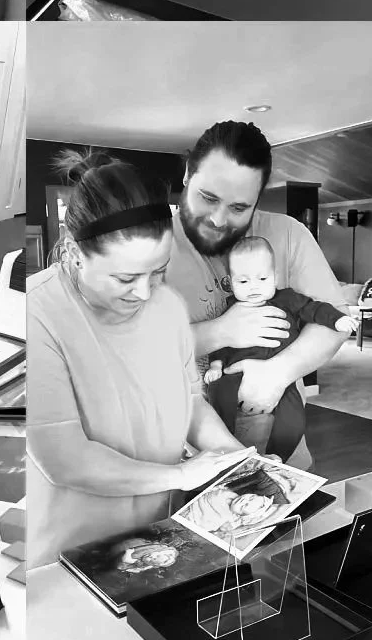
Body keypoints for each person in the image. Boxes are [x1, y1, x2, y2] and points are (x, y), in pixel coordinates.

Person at [27, 151, 251, 569]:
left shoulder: (167, 307)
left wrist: (239, 461)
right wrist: (184, 476)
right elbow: (65, 458)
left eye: (159, 271)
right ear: (75, 252)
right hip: (71, 552)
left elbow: (191, 405)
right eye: (126, 278)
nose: (146, 293)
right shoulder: (38, 314)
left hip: (160, 541)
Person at [164, 121, 347, 470]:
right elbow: (128, 350)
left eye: (238, 208)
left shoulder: (289, 234)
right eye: (208, 197)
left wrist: (278, 373)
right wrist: (222, 332)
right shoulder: (150, 246)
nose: (218, 219)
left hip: (285, 459)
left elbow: (333, 320)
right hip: (182, 465)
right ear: (188, 173)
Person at [202, 235, 355, 460]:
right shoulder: (231, 308)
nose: (253, 287)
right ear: (231, 282)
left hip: (283, 378)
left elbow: (315, 309)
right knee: (219, 392)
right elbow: (221, 342)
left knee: (294, 416)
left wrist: (337, 320)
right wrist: (216, 364)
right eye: (243, 282)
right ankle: (226, 450)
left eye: (262, 279)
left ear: (275, 278)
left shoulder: (288, 299)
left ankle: (277, 455)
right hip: (235, 371)